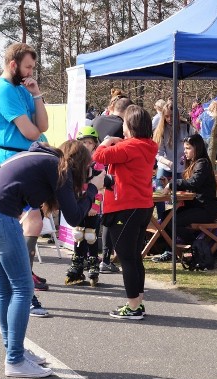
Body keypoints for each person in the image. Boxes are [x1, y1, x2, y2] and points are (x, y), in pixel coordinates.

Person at [0, 141, 105, 378]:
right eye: (87, 166)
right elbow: (73, 217)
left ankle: (15, 350)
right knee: (23, 287)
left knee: (5, 286)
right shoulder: (57, 167)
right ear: (79, 164)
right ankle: (15, 360)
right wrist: (93, 188)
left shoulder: (42, 159)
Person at [0, 42, 51, 315]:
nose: (31, 72)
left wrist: (36, 95)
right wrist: (36, 129)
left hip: (29, 161)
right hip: (14, 163)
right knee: (24, 225)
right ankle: (22, 286)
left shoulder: (22, 88)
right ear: (13, 65)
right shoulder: (3, 90)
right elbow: (32, 132)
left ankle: (23, 283)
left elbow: (44, 126)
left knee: (33, 221)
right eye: (27, 67)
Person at [92, 105, 158, 319]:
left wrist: (106, 142)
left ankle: (132, 306)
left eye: (125, 125)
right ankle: (137, 301)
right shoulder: (148, 146)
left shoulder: (129, 147)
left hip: (125, 207)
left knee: (127, 259)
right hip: (143, 206)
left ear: (131, 126)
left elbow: (99, 156)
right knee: (135, 257)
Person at [155, 134, 217, 261]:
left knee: (174, 221)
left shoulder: (202, 163)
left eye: (188, 148)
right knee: (165, 216)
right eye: (184, 148)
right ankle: (170, 249)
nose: (185, 151)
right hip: (197, 205)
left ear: (197, 148)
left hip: (206, 209)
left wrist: (173, 184)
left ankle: (195, 246)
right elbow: (190, 185)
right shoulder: (194, 163)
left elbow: (194, 183)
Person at [91, 96, 132, 275]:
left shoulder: (96, 120)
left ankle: (89, 257)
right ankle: (106, 258)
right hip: (110, 176)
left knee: (90, 216)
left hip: (91, 173)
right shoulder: (122, 128)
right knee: (108, 217)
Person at [65, 126, 104, 286]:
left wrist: (95, 205)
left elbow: (101, 186)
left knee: (90, 235)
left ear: (95, 144)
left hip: (92, 205)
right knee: (78, 235)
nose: (87, 145)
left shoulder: (98, 163)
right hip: (79, 203)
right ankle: (77, 265)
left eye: (90, 142)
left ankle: (93, 265)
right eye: (84, 142)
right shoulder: (75, 162)